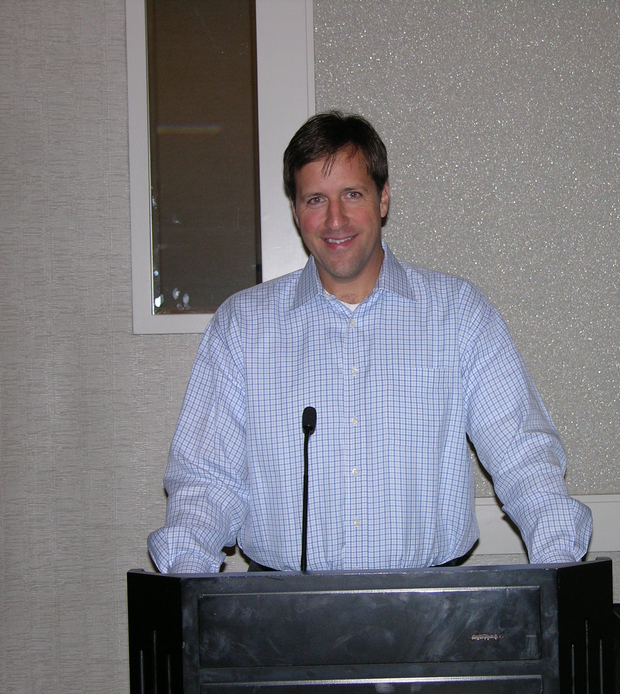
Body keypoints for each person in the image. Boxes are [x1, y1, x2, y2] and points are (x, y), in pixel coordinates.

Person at [148, 111, 592, 573]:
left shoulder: (458, 314)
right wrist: (187, 596)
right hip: (286, 621)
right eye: (315, 199)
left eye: (352, 194)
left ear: (383, 200)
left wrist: (559, 573)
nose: (334, 219)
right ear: (297, 212)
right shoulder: (241, 327)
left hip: (432, 616)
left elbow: (523, 458)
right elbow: (206, 482)